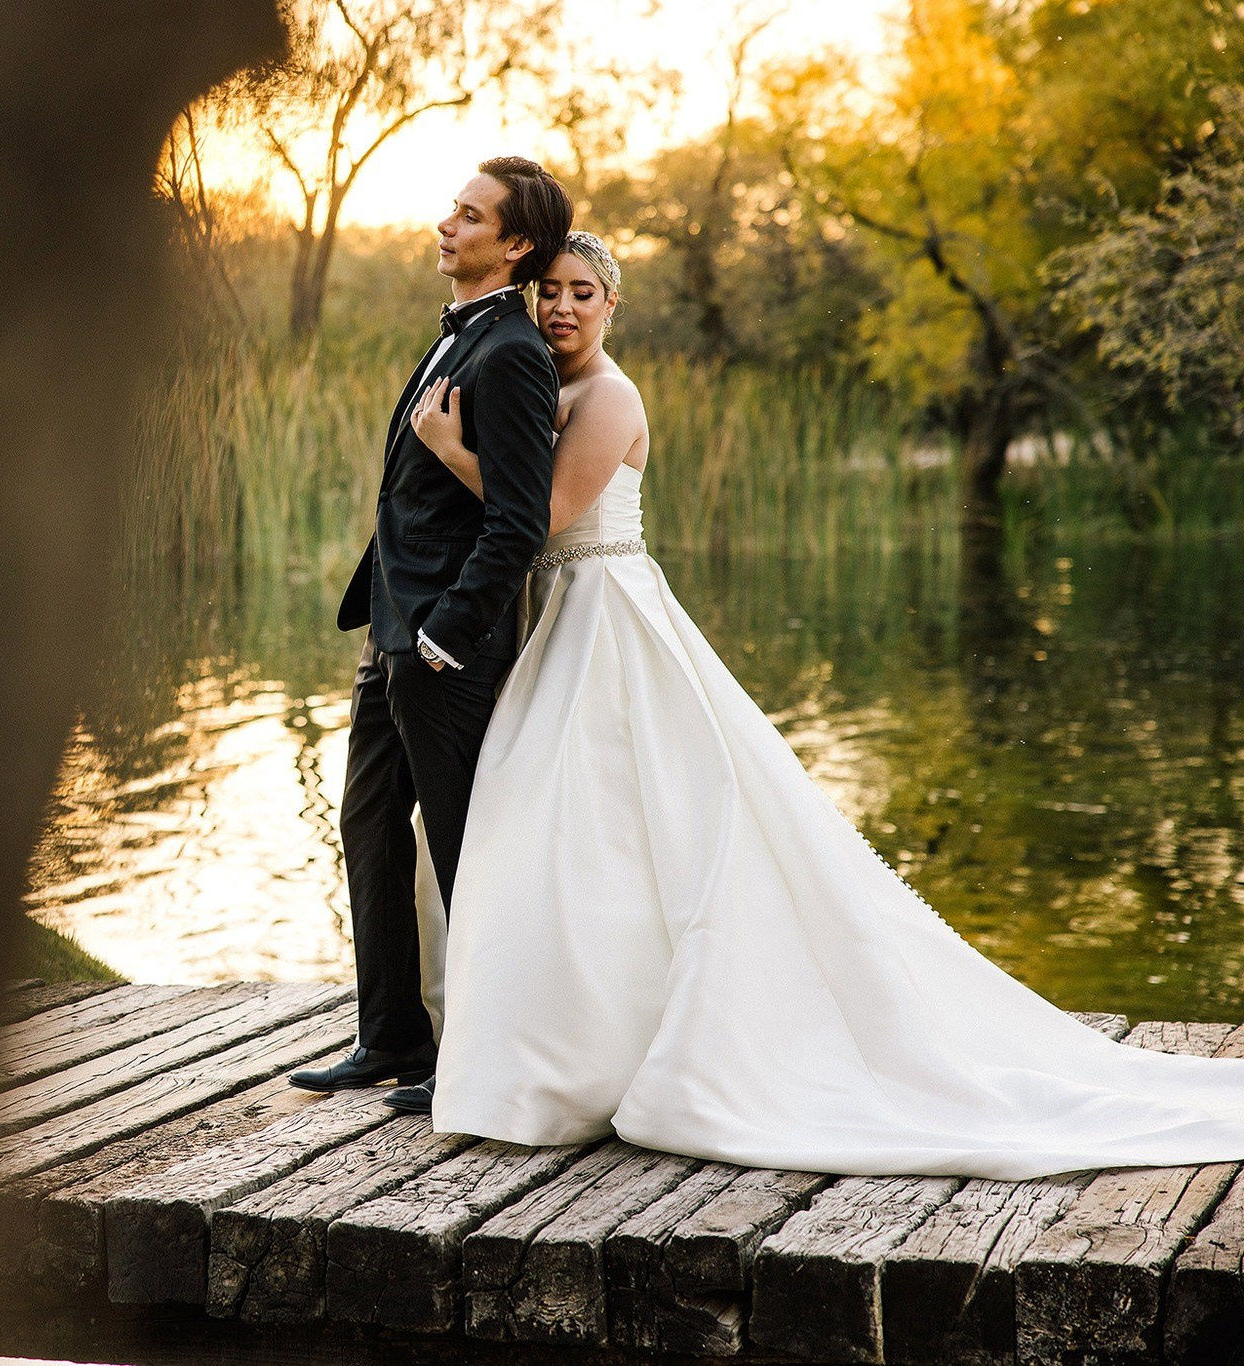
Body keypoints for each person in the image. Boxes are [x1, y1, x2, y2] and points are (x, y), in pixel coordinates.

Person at [401, 230, 1244, 1179]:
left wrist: (452, 451)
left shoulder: (610, 395)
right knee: (573, 830)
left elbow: (550, 516)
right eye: (550, 291)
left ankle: (607, 1050)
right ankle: (567, 1042)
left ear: (611, 304)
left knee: (614, 813)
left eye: (582, 292)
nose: (562, 307)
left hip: (604, 610)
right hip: (554, 609)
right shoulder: (539, 384)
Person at [289, 158, 572, 1111]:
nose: (447, 225)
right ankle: (391, 1038)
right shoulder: (460, 336)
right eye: (453, 210)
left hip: (446, 647)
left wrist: (445, 634)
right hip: (393, 634)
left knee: (460, 849)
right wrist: (390, 627)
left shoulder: (513, 354)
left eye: (469, 215)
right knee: (368, 825)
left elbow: (519, 522)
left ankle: (480, 1055)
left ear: (516, 244)